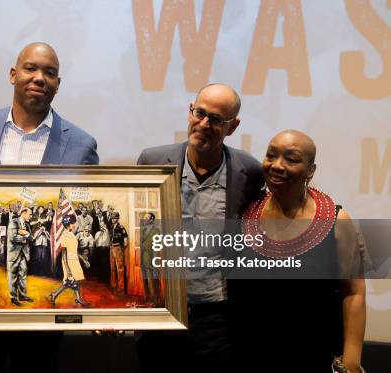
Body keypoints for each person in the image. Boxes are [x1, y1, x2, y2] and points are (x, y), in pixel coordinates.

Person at [0, 42, 99, 373]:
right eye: (30, 68)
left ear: (58, 83)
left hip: (43, 309)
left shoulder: (82, 145)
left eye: (49, 73)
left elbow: (85, 213)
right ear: (13, 75)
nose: (39, 78)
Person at [136, 83, 265, 373]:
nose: (204, 124)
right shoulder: (152, 161)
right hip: (160, 312)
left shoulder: (249, 172)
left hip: (215, 319)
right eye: (200, 113)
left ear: (232, 127)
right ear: (190, 111)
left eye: (216, 120)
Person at [234, 130, 366, 372]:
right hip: (247, 355)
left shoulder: (337, 221)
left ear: (311, 170)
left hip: (312, 356)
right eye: (271, 155)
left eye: (291, 159)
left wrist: (351, 363)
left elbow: (353, 292)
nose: (277, 166)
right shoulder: (245, 212)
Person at [48, 215, 90, 306]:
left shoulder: (71, 234)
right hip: (69, 262)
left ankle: (78, 298)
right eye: (73, 223)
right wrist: (67, 269)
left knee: (77, 280)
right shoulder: (64, 236)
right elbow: (63, 254)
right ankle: (54, 295)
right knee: (69, 282)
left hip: (75, 260)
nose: (74, 225)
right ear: (68, 224)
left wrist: (83, 260)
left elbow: (75, 250)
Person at [6, 207, 34, 306]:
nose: (31, 217)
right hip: (13, 254)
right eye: (30, 215)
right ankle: (13, 298)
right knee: (12, 275)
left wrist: (25, 233)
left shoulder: (27, 224)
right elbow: (13, 237)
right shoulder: (13, 222)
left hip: (24, 254)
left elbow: (31, 238)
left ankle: (22, 295)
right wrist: (24, 236)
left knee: (23, 275)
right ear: (24, 213)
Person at [140, 212, 162, 305]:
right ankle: (147, 299)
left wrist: (155, 263)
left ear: (152, 220)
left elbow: (156, 248)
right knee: (145, 281)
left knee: (152, 281)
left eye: (147, 218)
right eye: (144, 218)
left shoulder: (156, 231)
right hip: (143, 259)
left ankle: (155, 301)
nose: (144, 219)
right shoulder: (143, 230)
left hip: (151, 259)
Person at [109, 212, 128, 294]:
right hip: (111, 248)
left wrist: (121, 246)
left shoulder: (121, 227)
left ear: (118, 218)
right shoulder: (111, 226)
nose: (113, 219)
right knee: (112, 268)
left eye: (115, 218)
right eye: (112, 218)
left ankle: (121, 288)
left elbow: (125, 238)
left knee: (120, 269)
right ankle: (113, 286)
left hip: (118, 248)